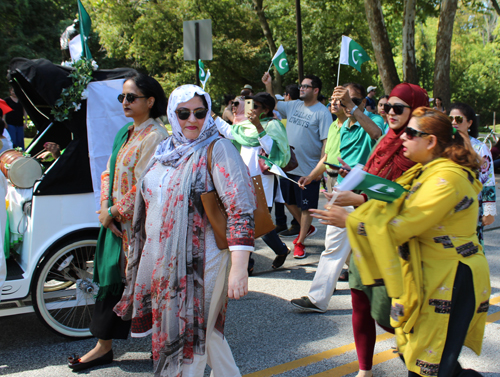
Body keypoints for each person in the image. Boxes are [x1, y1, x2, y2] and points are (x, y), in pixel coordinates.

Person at [312, 108, 490, 377]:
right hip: (431, 274)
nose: (402, 137)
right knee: (431, 362)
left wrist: (351, 221)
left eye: (411, 132)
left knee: (429, 364)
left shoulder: (446, 177)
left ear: (430, 141)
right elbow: (398, 203)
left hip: (450, 278)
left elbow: (403, 225)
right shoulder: (426, 171)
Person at [114, 84, 255, 376]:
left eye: (200, 113)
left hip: (206, 263)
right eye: (183, 113)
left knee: (189, 336)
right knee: (207, 335)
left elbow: (240, 209)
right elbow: (146, 194)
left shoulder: (219, 149)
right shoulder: (165, 150)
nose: (192, 120)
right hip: (166, 262)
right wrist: (114, 213)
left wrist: (239, 269)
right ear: (172, 114)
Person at [68, 73, 169, 372]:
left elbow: (147, 184)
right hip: (115, 223)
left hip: (141, 228)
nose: (124, 102)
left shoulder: (156, 137)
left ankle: (161, 346)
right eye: (122, 97)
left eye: (131, 97)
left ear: (150, 101)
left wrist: (113, 212)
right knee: (112, 279)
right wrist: (104, 208)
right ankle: (103, 346)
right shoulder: (125, 132)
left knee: (150, 284)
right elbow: (108, 173)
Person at [290, 82, 385, 315]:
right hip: (342, 191)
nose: (343, 104)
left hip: (368, 196)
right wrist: (312, 176)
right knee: (333, 247)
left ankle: (386, 297)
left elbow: (377, 135)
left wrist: (353, 108)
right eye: (342, 100)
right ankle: (318, 298)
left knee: (374, 250)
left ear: (362, 103)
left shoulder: (374, 120)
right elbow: (330, 157)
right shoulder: (341, 127)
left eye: (350, 100)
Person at [213, 92, 291, 272]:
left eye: (256, 106)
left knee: (259, 223)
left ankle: (274, 252)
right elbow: (229, 133)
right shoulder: (244, 126)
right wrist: (213, 116)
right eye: (251, 105)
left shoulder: (273, 125)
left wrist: (259, 127)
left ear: (267, 109)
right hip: (242, 178)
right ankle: (248, 264)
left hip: (262, 181)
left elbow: (274, 150)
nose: (252, 109)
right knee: (246, 221)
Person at [262, 72, 332, 259]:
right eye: (301, 85)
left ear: (316, 90)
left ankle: (300, 242)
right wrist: (269, 85)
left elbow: (326, 142)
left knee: (306, 207)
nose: (301, 88)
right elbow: (274, 104)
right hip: (288, 166)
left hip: (309, 169)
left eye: (306, 86)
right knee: (287, 200)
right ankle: (305, 227)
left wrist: (319, 168)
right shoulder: (293, 105)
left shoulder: (322, 113)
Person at [449, 103, 496, 245]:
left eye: (458, 119)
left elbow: (488, 179)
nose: (453, 122)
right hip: (447, 206)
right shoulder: (442, 146)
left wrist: (489, 211)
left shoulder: (480, 148)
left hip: (472, 207)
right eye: (450, 119)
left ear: (469, 123)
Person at [275, 84, 301, 236]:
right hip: (297, 164)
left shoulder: (282, 122)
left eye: (285, 95)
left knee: (287, 197)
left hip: (288, 164)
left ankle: (299, 225)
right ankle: (298, 224)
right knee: (290, 198)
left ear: (288, 97)